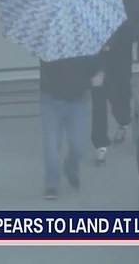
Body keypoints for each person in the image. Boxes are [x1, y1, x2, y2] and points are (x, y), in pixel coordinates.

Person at [39, 55, 104, 200]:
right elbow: (62, 81)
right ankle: (52, 184)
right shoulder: (49, 49)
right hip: (51, 100)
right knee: (52, 143)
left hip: (78, 102)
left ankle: (71, 167)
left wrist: (100, 72)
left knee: (78, 144)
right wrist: (89, 82)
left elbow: (97, 64)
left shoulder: (83, 46)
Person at [91, 18, 135, 165]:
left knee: (117, 98)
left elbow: (131, 32)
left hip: (116, 62)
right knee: (99, 105)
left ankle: (123, 121)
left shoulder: (119, 11)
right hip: (97, 64)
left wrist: (109, 43)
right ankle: (100, 144)